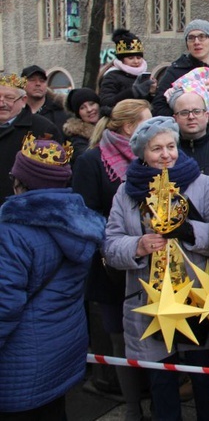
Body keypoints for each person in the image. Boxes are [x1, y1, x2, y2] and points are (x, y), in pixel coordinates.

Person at [103, 116, 209, 421]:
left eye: (171, 146)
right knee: (161, 383)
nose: (166, 154)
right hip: (148, 300)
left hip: (197, 297)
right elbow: (111, 244)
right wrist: (137, 246)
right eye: (157, 149)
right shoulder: (126, 193)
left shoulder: (201, 183)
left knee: (204, 378)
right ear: (142, 154)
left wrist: (189, 231)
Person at [0, 135, 106, 419]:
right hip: (61, 348)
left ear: (21, 181)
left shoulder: (11, 233)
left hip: (19, 362)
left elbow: (4, 304)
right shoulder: (80, 224)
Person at [73, 99, 152, 421]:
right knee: (121, 338)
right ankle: (132, 406)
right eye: (147, 122)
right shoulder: (92, 161)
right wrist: (123, 232)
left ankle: (156, 397)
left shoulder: (151, 158)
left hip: (149, 261)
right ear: (129, 127)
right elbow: (85, 213)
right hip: (111, 268)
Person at [152, 19, 209, 140]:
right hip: (186, 140)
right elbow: (159, 107)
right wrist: (188, 119)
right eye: (191, 38)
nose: (196, 42)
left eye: (202, 37)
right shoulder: (175, 71)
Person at [0, 73, 62, 205]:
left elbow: (55, 175)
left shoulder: (44, 130)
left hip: (24, 209)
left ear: (23, 101)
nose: (2, 103)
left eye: (9, 98)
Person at [169, 89, 209, 176]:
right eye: (184, 113)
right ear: (175, 118)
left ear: (207, 116)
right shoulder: (168, 154)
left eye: (197, 112)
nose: (191, 117)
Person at [99, 29, 156, 110]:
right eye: (131, 58)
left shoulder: (143, 75)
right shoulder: (111, 76)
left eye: (139, 57)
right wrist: (133, 92)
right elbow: (106, 102)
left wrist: (152, 93)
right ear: (122, 59)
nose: (136, 61)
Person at [20, 64, 69, 134]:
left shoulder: (60, 112)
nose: (38, 83)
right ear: (22, 84)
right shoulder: (14, 112)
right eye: (32, 80)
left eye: (42, 80)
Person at [63, 88, 101, 162]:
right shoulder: (76, 140)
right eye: (82, 108)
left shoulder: (113, 127)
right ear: (78, 114)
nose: (89, 109)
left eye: (91, 104)